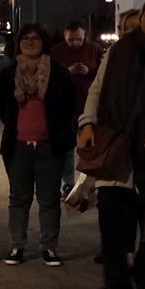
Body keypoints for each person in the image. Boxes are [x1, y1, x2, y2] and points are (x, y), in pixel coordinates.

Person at [78, 0, 145, 289]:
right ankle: (116, 279)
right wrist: (87, 122)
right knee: (112, 219)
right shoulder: (119, 50)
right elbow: (97, 88)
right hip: (117, 143)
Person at [0, 22, 80, 267]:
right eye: (25, 38)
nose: (30, 42)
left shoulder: (59, 72)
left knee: (49, 199)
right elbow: (2, 106)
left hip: (49, 145)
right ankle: (17, 246)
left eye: (36, 38)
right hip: (18, 145)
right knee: (19, 198)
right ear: (18, 43)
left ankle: (49, 247)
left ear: (44, 42)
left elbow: (69, 105)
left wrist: (52, 130)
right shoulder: (8, 73)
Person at [51, 23, 102, 202]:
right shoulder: (56, 51)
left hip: (88, 106)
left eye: (79, 39)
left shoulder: (94, 49)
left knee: (88, 148)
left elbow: (102, 74)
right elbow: (51, 76)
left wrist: (88, 71)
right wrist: (68, 71)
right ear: (65, 36)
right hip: (66, 107)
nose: (75, 43)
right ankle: (68, 183)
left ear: (84, 35)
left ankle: (88, 186)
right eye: (71, 40)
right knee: (67, 149)